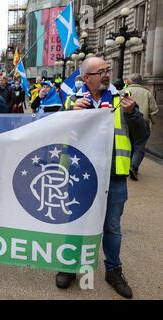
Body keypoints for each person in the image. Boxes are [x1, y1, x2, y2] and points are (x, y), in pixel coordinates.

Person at [61, 57, 148, 299]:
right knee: (75, 223)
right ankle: (69, 266)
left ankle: (113, 270)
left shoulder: (123, 100)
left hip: (114, 175)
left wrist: (132, 115)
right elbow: (57, 133)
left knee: (112, 227)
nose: (107, 74)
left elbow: (142, 135)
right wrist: (70, 114)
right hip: (80, 176)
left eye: (108, 70)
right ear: (86, 78)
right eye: (101, 71)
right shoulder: (72, 100)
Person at [126, 73, 159, 180]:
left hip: (125, 123)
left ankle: (129, 165)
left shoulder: (123, 92)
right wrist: (152, 123)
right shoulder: (147, 93)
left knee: (128, 144)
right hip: (142, 123)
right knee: (139, 145)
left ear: (129, 81)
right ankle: (133, 166)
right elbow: (154, 111)